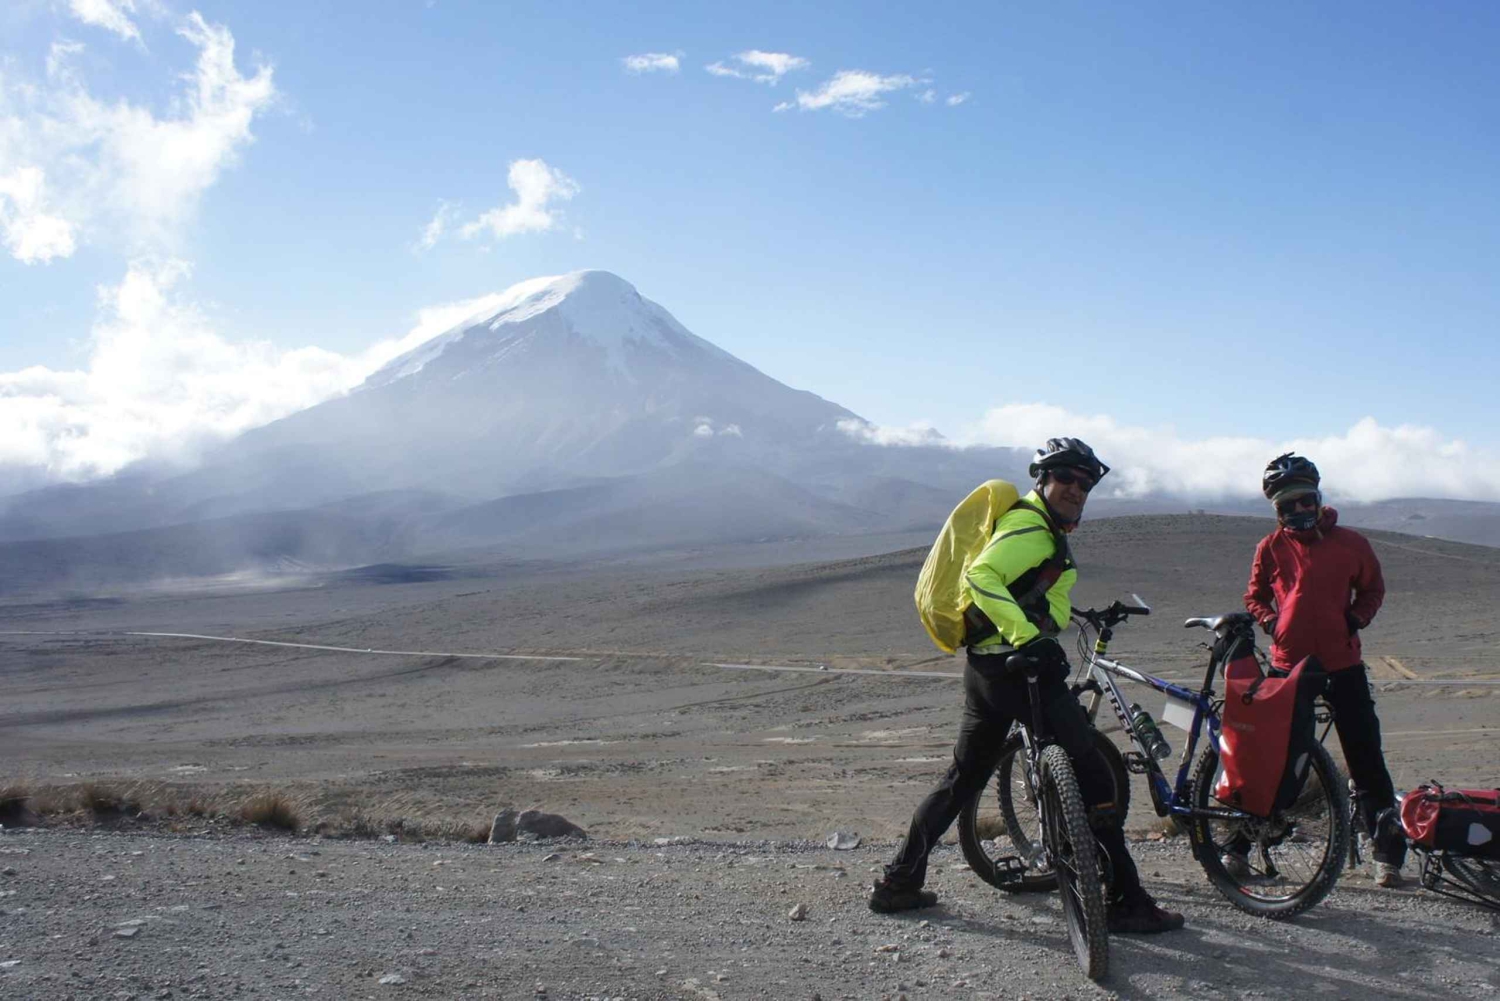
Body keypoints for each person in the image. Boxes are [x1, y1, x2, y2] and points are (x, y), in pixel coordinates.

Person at [869, 437, 1185, 934]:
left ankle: (898, 881)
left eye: (1085, 484)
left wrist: (1048, 617)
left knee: (961, 780)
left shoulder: (1040, 529)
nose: (1076, 489)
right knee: (1095, 774)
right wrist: (1026, 636)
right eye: (1066, 478)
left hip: (985, 672)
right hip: (1021, 673)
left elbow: (1034, 594)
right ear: (1043, 480)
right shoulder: (1031, 528)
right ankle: (1126, 901)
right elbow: (982, 575)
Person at [1243, 452, 1405, 887]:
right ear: (1276, 509)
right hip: (1288, 665)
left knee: (1366, 759)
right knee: (1271, 756)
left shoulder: (1351, 543)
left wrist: (1354, 620)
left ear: (1318, 498)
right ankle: (1241, 845)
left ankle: (1387, 855)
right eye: (1287, 505)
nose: (1298, 509)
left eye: (1305, 500)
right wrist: (1271, 623)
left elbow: (1372, 589)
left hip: (1342, 663)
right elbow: (1254, 596)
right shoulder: (1270, 547)